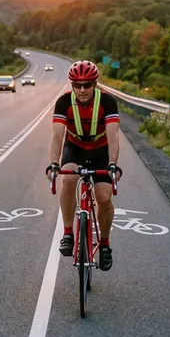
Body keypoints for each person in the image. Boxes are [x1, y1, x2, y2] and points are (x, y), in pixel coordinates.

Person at [46, 60, 122, 271]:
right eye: (77, 85)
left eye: (87, 85)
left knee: (104, 197)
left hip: (101, 150)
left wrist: (113, 164)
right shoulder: (63, 102)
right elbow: (57, 135)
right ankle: (68, 233)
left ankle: (104, 244)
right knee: (69, 179)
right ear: (72, 85)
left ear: (95, 84)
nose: (82, 90)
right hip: (75, 147)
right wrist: (54, 163)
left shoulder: (107, 102)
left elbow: (114, 135)